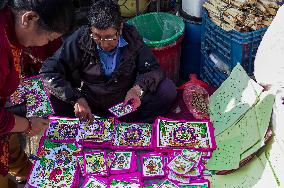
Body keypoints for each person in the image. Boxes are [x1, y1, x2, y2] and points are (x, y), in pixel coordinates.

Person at [40, 0, 177, 123]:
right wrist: (76, 99)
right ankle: (79, 130)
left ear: (121, 28)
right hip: (90, 102)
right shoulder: (81, 38)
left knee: (167, 89)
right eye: (97, 36)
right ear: (90, 30)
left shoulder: (131, 36)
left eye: (109, 37)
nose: (103, 44)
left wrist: (137, 89)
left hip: (124, 101)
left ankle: (137, 126)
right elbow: (49, 70)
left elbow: (153, 69)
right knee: (51, 96)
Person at [0, 0, 74, 187]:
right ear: (29, 18)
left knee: (12, 146)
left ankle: (26, 174)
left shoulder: (9, 26)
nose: (46, 44)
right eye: (49, 38)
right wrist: (27, 125)